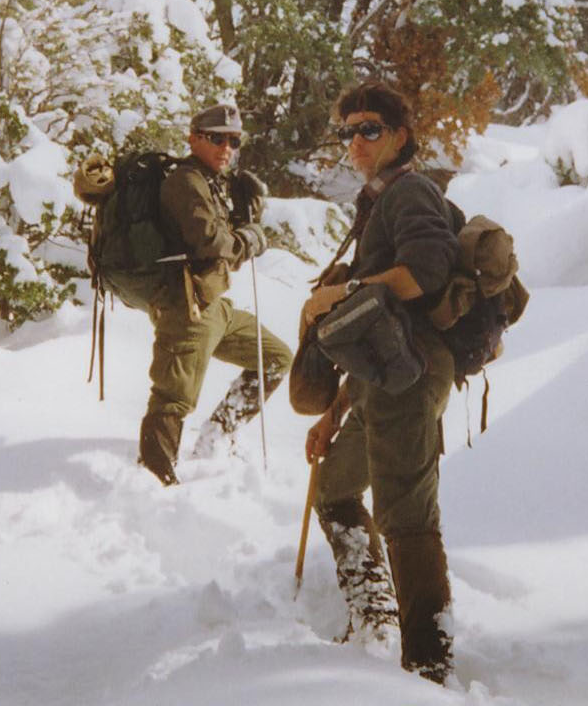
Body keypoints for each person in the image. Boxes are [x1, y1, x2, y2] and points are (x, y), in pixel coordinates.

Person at [294, 81, 461, 684]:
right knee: (335, 489)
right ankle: (375, 612)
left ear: (400, 135)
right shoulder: (379, 198)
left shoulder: (411, 191)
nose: (355, 141)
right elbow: (373, 327)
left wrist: (346, 290)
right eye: (346, 130)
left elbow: (428, 269)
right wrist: (334, 412)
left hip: (413, 377)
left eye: (369, 129)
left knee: (408, 518)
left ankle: (427, 667)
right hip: (383, 377)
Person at [137, 103, 292, 486]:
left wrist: (245, 218)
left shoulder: (211, 183)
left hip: (213, 304)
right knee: (173, 398)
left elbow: (220, 243)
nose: (227, 148)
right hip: (186, 308)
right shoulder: (185, 182)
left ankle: (217, 436)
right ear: (193, 138)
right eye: (217, 138)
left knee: (274, 358)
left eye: (234, 141)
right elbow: (211, 243)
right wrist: (249, 238)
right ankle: (153, 485)